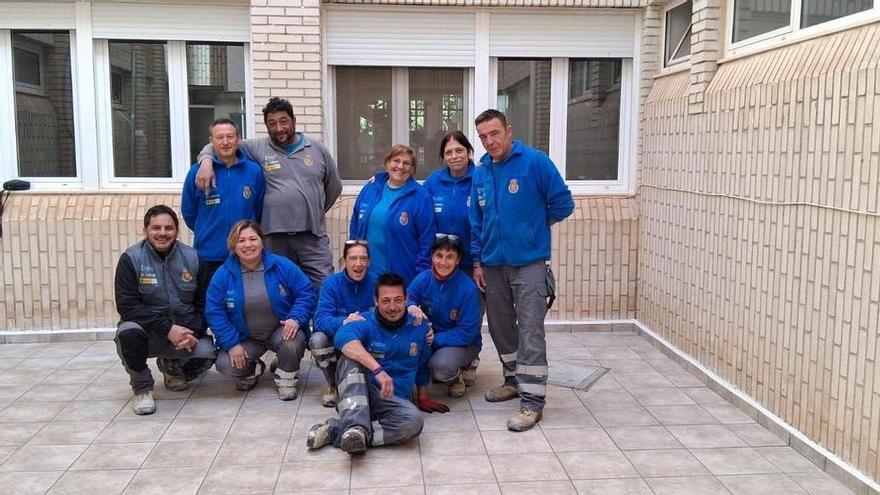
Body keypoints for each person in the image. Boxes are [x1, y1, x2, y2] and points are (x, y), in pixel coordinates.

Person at [470, 109, 575, 431]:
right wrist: (477, 261)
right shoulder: (481, 172)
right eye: (484, 137)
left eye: (494, 134)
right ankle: (513, 380)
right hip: (492, 264)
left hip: (528, 264)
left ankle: (532, 403)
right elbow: (477, 219)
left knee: (530, 330)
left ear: (509, 130)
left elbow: (563, 204)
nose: (490, 141)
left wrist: (533, 229)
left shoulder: (535, 163)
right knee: (501, 327)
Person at [194, 97, 342, 291]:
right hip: (274, 237)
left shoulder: (317, 149)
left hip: (312, 235)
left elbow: (334, 187)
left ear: (294, 121)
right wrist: (205, 161)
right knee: (278, 289)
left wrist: (314, 209)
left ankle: (321, 322)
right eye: (272, 124)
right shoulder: (257, 148)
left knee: (323, 287)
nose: (278, 128)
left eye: (283, 121)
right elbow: (220, 143)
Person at [305, 273, 448, 454]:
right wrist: (377, 369)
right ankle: (355, 426)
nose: (392, 307)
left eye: (398, 300)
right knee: (350, 356)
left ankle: (341, 431)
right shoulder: (365, 321)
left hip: (394, 401)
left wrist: (423, 397)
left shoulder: (419, 326)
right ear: (376, 301)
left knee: (414, 422)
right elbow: (342, 337)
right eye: (386, 300)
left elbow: (422, 365)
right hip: (362, 391)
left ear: (406, 299)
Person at [114, 205, 217, 415]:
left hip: (183, 334)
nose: (163, 233)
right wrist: (168, 328)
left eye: (169, 228)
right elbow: (127, 306)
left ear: (177, 231)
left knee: (210, 352)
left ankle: (172, 367)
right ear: (145, 231)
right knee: (128, 334)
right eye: (156, 228)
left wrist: (192, 332)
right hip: (147, 332)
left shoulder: (193, 258)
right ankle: (142, 388)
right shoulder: (130, 259)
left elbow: (204, 304)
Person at [206, 220, 316, 400]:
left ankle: (286, 377)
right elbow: (215, 312)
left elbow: (306, 292)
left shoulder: (282, 266)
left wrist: (295, 317)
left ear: (262, 241)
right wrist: (232, 344)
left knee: (292, 341)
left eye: (253, 239)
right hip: (246, 338)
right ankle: (253, 368)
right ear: (233, 245)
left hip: (279, 331)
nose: (248, 245)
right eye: (241, 240)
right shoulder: (223, 275)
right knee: (226, 364)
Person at [181, 119, 265, 282]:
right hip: (208, 256)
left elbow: (259, 209)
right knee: (212, 305)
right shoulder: (197, 172)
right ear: (211, 141)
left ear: (238, 139)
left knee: (243, 305)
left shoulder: (254, 171)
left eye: (230, 137)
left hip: (245, 255)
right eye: (220, 138)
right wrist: (207, 230)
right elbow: (189, 213)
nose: (225, 142)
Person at [348, 144, 436, 285]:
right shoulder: (371, 187)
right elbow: (355, 223)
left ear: (412, 169)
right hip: (367, 272)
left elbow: (426, 239)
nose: (400, 166)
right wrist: (352, 257)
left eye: (407, 163)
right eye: (396, 161)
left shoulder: (421, 197)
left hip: (402, 275)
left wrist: (421, 276)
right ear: (387, 163)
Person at [407, 235, 482, 398]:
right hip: (432, 339)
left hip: (464, 343)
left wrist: (434, 339)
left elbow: (467, 333)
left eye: (450, 257)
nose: (443, 262)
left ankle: (460, 372)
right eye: (439, 256)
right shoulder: (423, 279)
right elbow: (407, 298)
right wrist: (411, 306)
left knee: (440, 368)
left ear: (458, 260)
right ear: (432, 257)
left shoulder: (467, 289)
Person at [311, 240, 377, 407]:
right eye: (353, 258)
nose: (358, 263)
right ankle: (333, 384)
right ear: (344, 261)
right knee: (318, 340)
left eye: (363, 258)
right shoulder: (331, 284)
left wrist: (362, 319)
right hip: (337, 342)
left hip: (366, 342)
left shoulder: (377, 283)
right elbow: (320, 319)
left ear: (369, 262)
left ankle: (372, 384)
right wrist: (345, 321)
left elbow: (387, 312)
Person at [423, 131, 476, 274]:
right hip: (441, 264)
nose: (454, 156)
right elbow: (414, 199)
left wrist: (479, 262)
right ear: (443, 157)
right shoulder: (433, 182)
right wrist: (383, 178)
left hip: (472, 264)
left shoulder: (480, 179)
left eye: (459, 150)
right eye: (448, 153)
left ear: (469, 152)